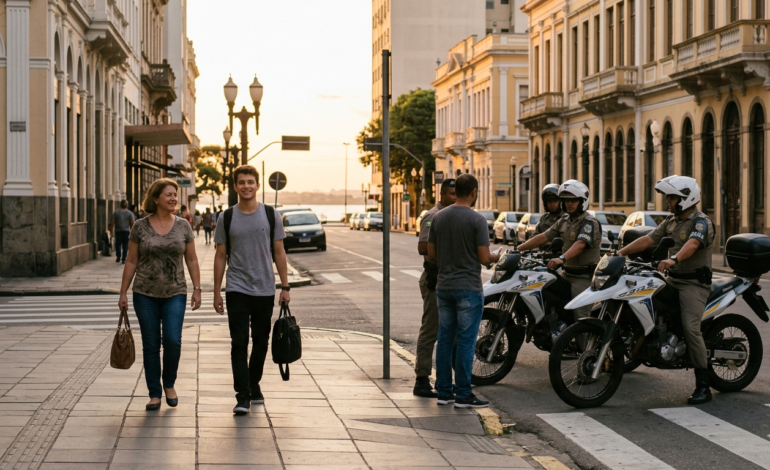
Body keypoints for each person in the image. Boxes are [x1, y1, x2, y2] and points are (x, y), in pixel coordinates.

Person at [617, 175, 714, 405]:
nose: (668, 202)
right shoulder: (671, 221)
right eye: (668, 197)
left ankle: (703, 385)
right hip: (672, 280)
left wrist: (674, 260)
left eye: (671, 197)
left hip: (694, 284)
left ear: (685, 198)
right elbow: (648, 239)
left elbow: (692, 244)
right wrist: (618, 255)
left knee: (691, 328)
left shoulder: (701, 222)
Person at [213, 165, 291, 416]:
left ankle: (254, 381)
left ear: (258, 185)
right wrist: (217, 291)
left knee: (261, 341)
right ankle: (243, 394)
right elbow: (220, 256)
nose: (246, 186)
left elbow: (279, 252)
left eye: (250, 182)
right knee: (239, 342)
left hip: (265, 288)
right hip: (236, 288)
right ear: (235, 187)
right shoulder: (226, 217)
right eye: (241, 182)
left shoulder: (271, 215)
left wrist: (285, 286)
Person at [118, 178, 202, 411]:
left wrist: (197, 288)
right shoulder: (140, 227)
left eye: (175, 194)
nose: (174, 198)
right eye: (169, 195)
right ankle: (154, 393)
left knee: (173, 341)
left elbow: (192, 258)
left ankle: (170, 383)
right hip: (144, 293)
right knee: (151, 344)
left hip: (175, 292)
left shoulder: (184, 225)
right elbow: (131, 260)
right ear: (155, 198)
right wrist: (123, 292)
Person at [427, 174, 499, 408]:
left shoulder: (438, 217)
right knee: (466, 342)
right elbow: (484, 257)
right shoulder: (477, 220)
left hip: (444, 287)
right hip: (468, 288)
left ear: (455, 190)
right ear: (474, 192)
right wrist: (499, 256)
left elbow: (431, 253)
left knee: (445, 339)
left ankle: (445, 392)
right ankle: (464, 394)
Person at [516, 180, 601, 320]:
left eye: (573, 200)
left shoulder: (589, 222)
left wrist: (561, 258)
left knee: (580, 316)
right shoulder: (564, 220)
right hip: (566, 274)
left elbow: (580, 244)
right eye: (566, 200)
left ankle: (584, 341)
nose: (569, 204)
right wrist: (518, 249)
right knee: (541, 290)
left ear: (582, 201)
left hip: (583, 277)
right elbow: (544, 236)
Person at [413, 179, 457, 398]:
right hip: (434, 278)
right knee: (431, 330)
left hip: (449, 279)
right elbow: (423, 247)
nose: (454, 198)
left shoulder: (453, 215)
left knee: (450, 333)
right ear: (441, 194)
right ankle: (421, 380)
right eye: (450, 194)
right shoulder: (432, 216)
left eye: (457, 194)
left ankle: (445, 382)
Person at [109, 200, 136, 264]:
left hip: (118, 231)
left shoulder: (116, 212)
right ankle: (124, 258)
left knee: (118, 244)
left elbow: (112, 222)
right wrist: (133, 231)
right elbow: (132, 223)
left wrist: (111, 231)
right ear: (127, 205)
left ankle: (118, 256)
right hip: (126, 231)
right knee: (125, 245)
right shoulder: (130, 213)